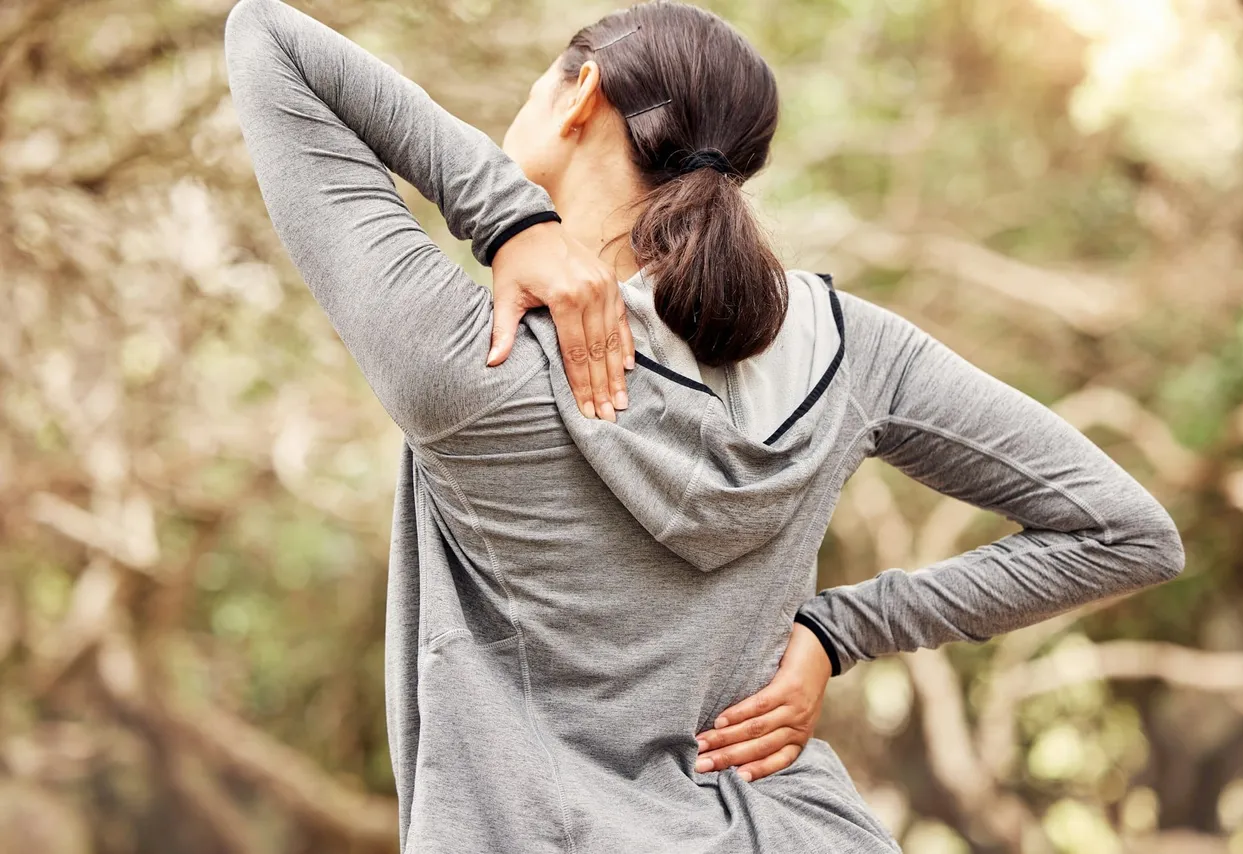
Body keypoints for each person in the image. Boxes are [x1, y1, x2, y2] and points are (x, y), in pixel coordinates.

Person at [222, 0, 1186, 851]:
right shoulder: (856, 353)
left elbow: (266, 36)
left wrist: (506, 220)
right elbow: (1126, 534)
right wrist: (839, 631)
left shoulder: (472, 359)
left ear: (579, 93)